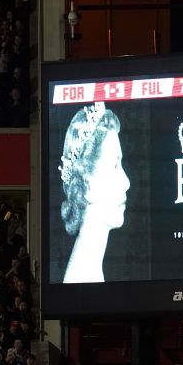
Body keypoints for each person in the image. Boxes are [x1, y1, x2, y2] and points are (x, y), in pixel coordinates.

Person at [58, 101, 130, 283]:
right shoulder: (82, 276)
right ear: (87, 185)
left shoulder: (89, 270)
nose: (127, 182)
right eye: (115, 165)